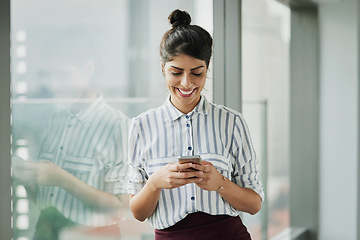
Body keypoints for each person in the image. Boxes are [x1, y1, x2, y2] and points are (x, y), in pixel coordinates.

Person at [128, 9, 264, 240]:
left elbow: (254, 205)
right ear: (163, 68)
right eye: (176, 72)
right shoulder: (141, 126)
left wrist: (220, 182)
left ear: (207, 68)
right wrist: (155, 183)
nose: (186, 83)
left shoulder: (232, 122)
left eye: (197, 73)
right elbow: (138, 213)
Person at [12, 29, 129, 240]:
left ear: (88, 68)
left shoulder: (117, 125)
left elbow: (120, 208)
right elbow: (43, 200)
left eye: (63, 74)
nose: (55, 86)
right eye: (49, 76)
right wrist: (28, 180)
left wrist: (62, 179)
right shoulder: (53, 121)